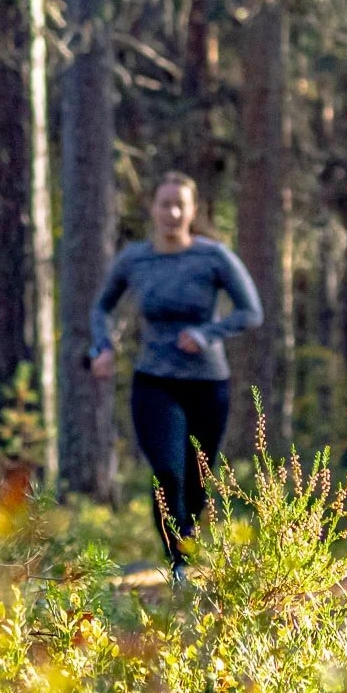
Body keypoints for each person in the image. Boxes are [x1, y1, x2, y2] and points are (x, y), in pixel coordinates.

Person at [89, 172, 262, 583]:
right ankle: (178, 562)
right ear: (153, 208)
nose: (172, 212)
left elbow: (250, 312)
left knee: (198, 479)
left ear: (193, 210)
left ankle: (186, 542)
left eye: (180, 205)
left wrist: (207, 334)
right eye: (165, 204)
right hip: (155, 380)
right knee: (167, 470)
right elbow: (102, 309)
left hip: (208, 383)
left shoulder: (214, 257)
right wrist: (103, 347)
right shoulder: (135, 259)